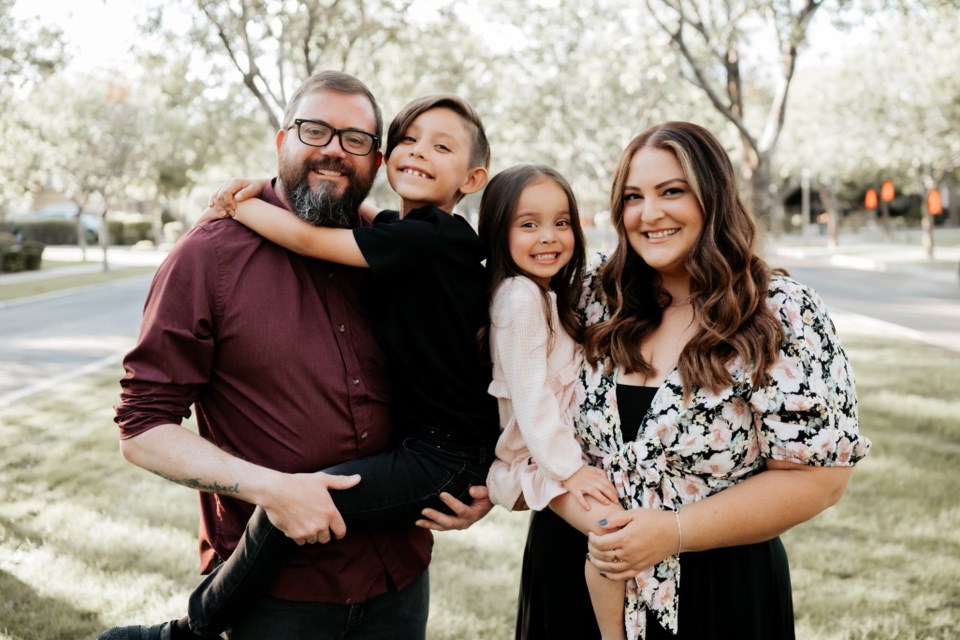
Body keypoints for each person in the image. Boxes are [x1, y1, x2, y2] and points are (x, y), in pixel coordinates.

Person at [101, 74, 492, 640]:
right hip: (274, 602)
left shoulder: (394, 247)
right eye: (315, 131)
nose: (334, 149)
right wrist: (271, 488)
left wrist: (476, 486)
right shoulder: (208, 256)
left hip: (399, 582)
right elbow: (140, 429)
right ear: (282, 141)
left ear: (374, 159)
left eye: (355, 138)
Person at [515, 121, 872, 640]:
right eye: (633, 196)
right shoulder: (588, 297)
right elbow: (519, 403)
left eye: (672, 191)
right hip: (573, 574)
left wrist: (673, 532)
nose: (649, 213)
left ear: (714, 196)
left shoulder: (779, 313)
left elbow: (820, 477)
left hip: (715, 591)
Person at [477, 164, 629, 638]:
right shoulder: (520, 297)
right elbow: (531, 399)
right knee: (612, 531)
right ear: (498, 232)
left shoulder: (545, 294)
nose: (549, 237)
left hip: (553, 458)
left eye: (562, 222)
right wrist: (571, 469)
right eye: (528, 224)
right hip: (537, 462)